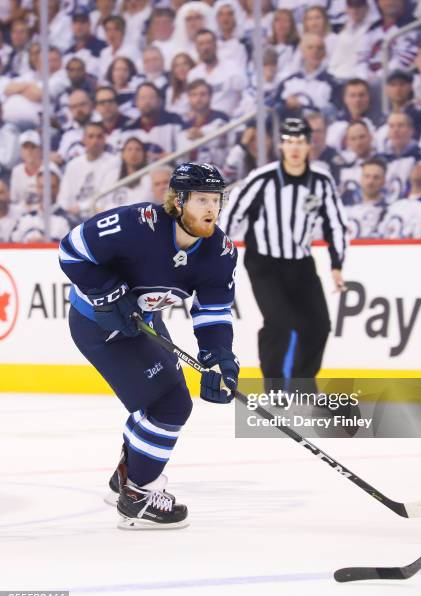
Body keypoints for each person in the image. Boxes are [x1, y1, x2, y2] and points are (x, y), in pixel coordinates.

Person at [58, 162, 239, 528]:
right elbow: (71, 251)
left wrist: (218, 357)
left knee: (166, 401)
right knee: (171, 406)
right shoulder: (134, 226)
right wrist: (106, 291)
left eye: (217, 200)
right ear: (177, 200)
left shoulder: (220, 252)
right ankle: (138, 496)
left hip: (144, 321)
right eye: (202, 199)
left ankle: (126, 478)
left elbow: (214, 311)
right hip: (98, 327)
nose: (211, 209)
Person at [219, 117, 347, 395]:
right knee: (279, 322)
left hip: (301, 263)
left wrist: (337, 265)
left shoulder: (322, 182)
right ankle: (274, 387)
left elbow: (335, 223)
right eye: (289, 142)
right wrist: (217, 251)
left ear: (309, 146)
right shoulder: (262, 179)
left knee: (319, 325)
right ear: (281, 145)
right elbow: (233, 213)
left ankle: (303, 384)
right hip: (264, 262)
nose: (294, 148)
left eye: (300, 142)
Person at [346, 157, 388, 239]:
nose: (370, 181)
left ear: (383, 181)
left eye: (376, 177)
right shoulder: (347, 209)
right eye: (367, 176)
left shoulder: (387, 211)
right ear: (361, 179)